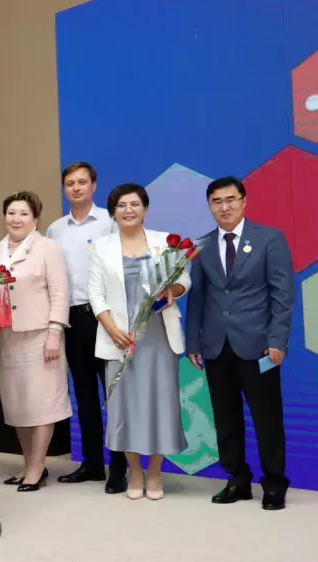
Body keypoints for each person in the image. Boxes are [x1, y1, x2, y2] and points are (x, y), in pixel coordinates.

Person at [186, 176, 294, 511]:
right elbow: (197, 297)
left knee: (267, 417)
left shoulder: (270, 239)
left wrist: (277, 339)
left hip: (259, 345)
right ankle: (237, 479)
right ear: (209, 206)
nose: (224, 207)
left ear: (244, 201)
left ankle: (274, 484)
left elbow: (283, 295)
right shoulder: (201, 245)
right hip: (215, 345)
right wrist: (193, 341)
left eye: (230, 199)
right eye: (216, 202)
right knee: (225, 417)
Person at [88, 183, 190, 500]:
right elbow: (95, 293)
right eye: (121, 205)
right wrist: (111, 328)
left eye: (134, 204)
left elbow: (184, 279)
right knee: (124, 406)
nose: (128, 210)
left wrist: (172, 291)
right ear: (113, 212)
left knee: (161, 403)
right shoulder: (100, 246)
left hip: (158, 335)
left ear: (145, 209)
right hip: (121, 338)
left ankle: (155, 472)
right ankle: (134, 471)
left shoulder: (164, 242)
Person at [45, 162, 127, 493]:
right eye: (70, 183)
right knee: (84, 394)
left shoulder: (111, 222)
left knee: (114, 392)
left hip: (106, 318)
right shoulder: (55, 230)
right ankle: (93, 463)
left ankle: (119, 466)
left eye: (82, 182)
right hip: (73, 318)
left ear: (94, 185)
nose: (76, 188)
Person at [0, 191, 71, 492]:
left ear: (35, 218)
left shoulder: (48, 248)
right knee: (18, 402)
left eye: (23, 213)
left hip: (40, 335)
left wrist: (54, 333)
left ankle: (37, 468)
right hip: (6, 334)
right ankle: (28, 464)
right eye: (11, 213)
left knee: (42, 402)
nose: (16, 219)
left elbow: (60, 294)